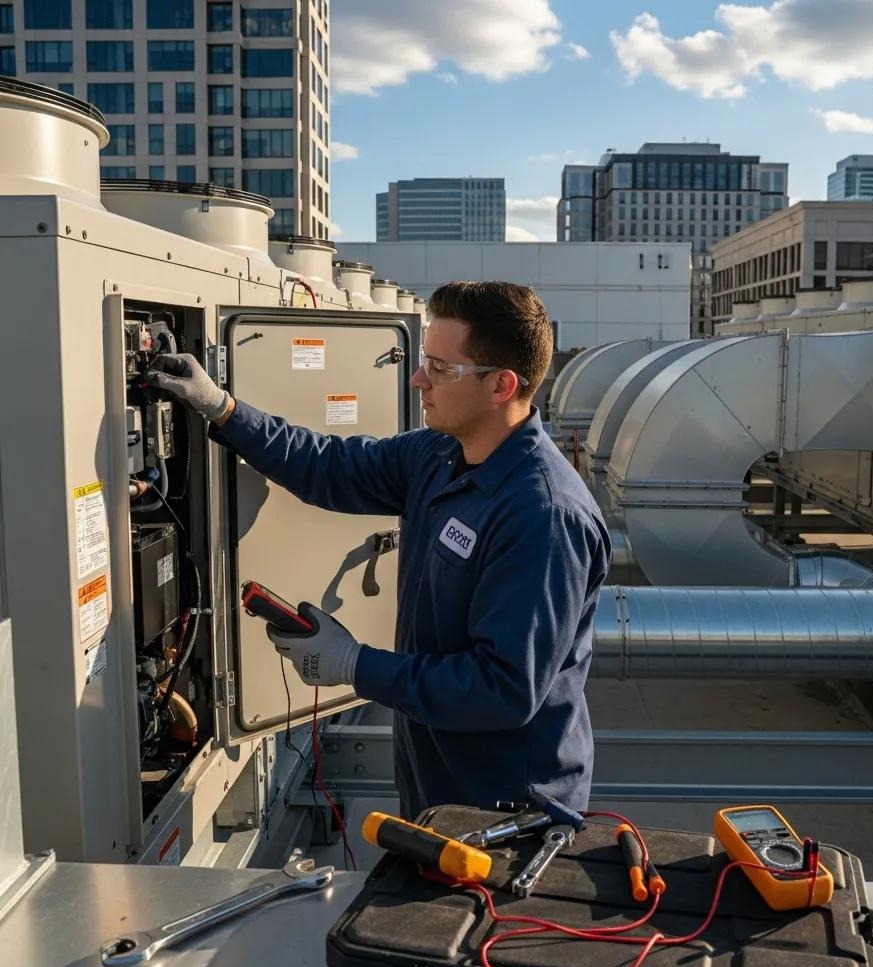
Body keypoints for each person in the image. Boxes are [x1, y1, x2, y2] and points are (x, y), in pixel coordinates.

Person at [148, 281, 611, 818]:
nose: (418, 379)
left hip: (508, 809)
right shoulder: (440, 455)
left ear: (501, 385)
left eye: (440, 368)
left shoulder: (543, 514)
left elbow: (502, 689)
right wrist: (224, 409)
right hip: (437, 782)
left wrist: (354, 665)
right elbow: (328, 466)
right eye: (423, 362)